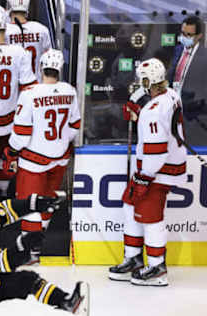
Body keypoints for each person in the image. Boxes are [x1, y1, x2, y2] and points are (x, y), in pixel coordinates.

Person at [109, 58, 187, 286]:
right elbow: (155, 107)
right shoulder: (171, 94)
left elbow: (156, 150)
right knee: (130, 205)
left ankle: (156, 267)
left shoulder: (152, 111)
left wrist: (143, 178)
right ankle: (133, 258)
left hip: (157, 171)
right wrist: (137, 103)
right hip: (160, 167)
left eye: (141, 80)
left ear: (146, 80)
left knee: (151, 217)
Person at [0, 194, 90, 316]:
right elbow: (6, 263)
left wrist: (34, 204)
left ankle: (67, 302)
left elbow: (6, 210)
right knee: (25, 281)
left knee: (29, 280)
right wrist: (23, 245)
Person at [3, 49, 80, 263]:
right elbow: (75, 125)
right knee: (47, 201)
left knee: (31, 204)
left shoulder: (30, 94)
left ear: (41, 67)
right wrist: (61, 141)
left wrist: (11, 151)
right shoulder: (70, 91)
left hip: (34, 160)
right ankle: (37, 243)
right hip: (60, 158)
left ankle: (30, 251)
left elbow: (21, 133)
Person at [0, 6, 37, 204]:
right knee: (3, 162)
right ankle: (2, 202)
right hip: (8, 119)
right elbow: (29, 88)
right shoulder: (20, 52)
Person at [167, 15, 207, 146]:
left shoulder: (205, 57)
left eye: (189, 35)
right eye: (183, 33)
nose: (185, 37)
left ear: (199, 36)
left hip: (195, 118)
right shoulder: (177, 50)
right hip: (173, 114)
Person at [5, 0, 52, 82]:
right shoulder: (42, 29)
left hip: (12, 86)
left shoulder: (4, 31)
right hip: (36, 87)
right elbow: (48, 59)